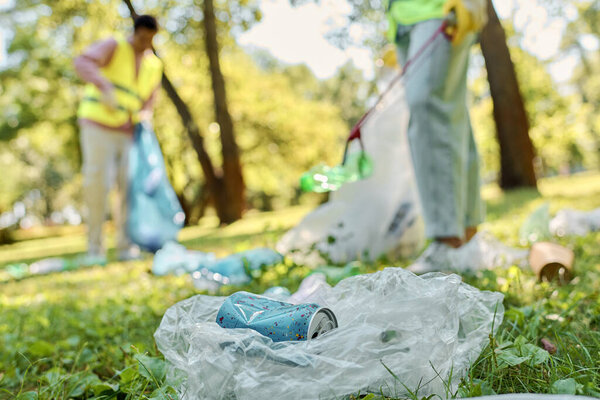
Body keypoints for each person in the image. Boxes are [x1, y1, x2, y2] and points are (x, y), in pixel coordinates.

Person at [385, 0, 488, 272]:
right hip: (404, 17)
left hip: (440, 8)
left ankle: (447, 240)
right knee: (451, 115)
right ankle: (467, 236)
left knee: (428, 108)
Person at [74, 15, 163, 262]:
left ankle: (125, 247)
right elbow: (81, 62)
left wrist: (145, 116)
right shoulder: (114, 46)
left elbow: (149, 100)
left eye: (151, 40)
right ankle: (95, 249)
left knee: (129, 189)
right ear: (135, 32)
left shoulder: (154, 65)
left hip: (128, 132)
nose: (145, 44)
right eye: (142, 38)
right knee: (98, 185)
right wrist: (104, 85)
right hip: (97, 126)